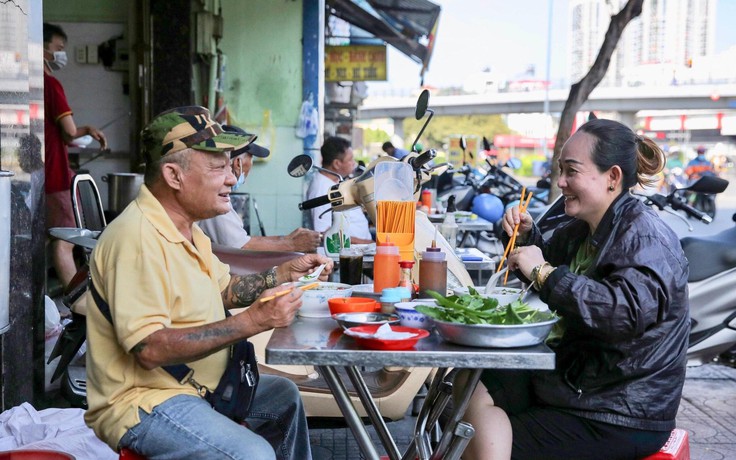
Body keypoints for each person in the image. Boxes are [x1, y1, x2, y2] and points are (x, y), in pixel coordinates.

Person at [84, 106, 332, 459]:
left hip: (197, 385)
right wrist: (252, 322)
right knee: (252, 454)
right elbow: (150, 349)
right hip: (144, 401)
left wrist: (284, 273)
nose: (231, 178)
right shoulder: (137, 238)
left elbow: (224, 289)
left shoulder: (188, 229)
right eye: (218, 167)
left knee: (284, 397)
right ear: (173, 175)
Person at [459, 119, 689, 460]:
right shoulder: (583, 227)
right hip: (578, 381)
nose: (561, 182)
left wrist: (543, 272)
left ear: (612, 177)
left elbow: (620, 313)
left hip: (618, 410)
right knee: (467, 381)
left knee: (470, 443)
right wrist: (525, 240)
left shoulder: (644, 235)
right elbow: (552, 269)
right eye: (560, 170)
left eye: (571, 171)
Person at [43, 23, 108, 289]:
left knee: (47, 237)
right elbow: (69, 132)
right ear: (42, 48)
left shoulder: (29, 83)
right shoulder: (51, 85)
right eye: (58, 49)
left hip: (37, 170)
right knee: (67, 237)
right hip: (54, 172)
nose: (61, 55)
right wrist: (89, 129)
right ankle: (76, 301)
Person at [198, 125, 321, 252]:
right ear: (237, 163)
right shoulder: (213, 197)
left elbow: (241, 240)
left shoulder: (218, 195)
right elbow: (240, 246)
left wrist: (288, 240)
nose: (232, 179)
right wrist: (291, 244)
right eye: (251, 159)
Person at [306, 136, 373, 243]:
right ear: (336, 163)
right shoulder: (321, 189)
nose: (353, 163)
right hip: (348, 253)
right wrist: (366, 243)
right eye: (350, 159)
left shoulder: (336, 181)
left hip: (363, 248)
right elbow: (323, 232)